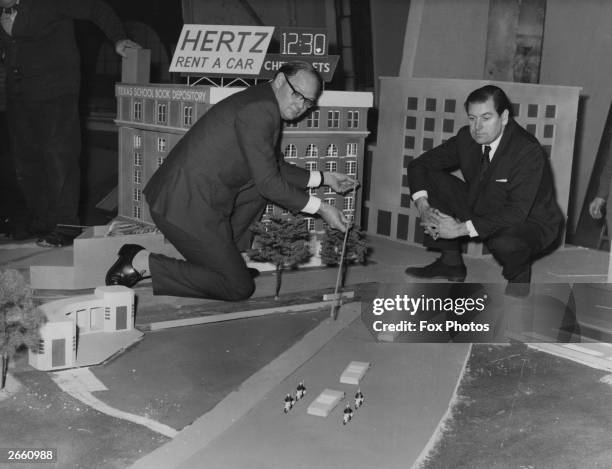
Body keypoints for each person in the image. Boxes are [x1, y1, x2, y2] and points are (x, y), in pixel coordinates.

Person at [105, 61, 355, 300]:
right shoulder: (261, 110)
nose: (301, 105)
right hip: (184, 205)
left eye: (309, 102)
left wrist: (325, 178)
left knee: (258, 190)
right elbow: (270, 182)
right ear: (280, 80)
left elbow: (274, 167)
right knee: (238, 288)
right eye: (297, 94)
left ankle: (227, 262)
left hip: (200, 199)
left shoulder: (261, 101)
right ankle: (139, 261)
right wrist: (322, 208)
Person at [0, 0, 141, 246]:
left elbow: (96, 8)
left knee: (59, 158)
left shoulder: (49, 3)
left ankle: (67, 226)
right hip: (19, 94)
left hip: (56, 90)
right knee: (27, 161)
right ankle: (40, 221)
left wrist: (118, 38)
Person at [404, 85, 563, 297]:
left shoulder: (526, 150)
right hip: (484, 203)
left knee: (505, 243)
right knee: (430, 177)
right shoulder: (466, 138)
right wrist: (423, 206)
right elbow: (418, 166)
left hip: (530, 222)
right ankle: (450, 263)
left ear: (504, 117)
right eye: (472, 118)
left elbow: (516, 212)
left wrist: (460, 229)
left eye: (486, 118)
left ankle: (519, 281)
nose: (477, 127)